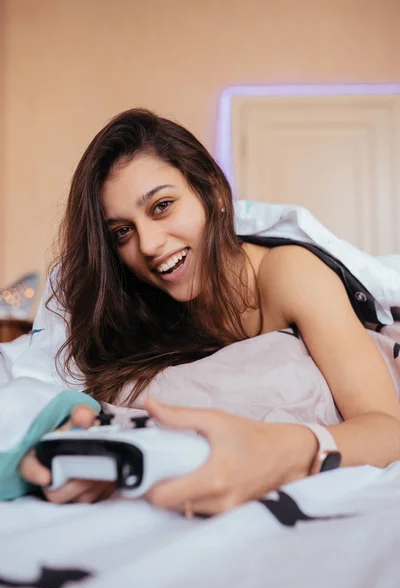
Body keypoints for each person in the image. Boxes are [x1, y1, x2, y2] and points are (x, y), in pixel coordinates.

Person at [18, 108, 400, 516]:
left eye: (162, 206)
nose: (148, 244)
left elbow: (387, 427)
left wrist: (281, 449)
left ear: (214, 193)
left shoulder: (291, 274)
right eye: (122, 232)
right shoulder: (138, 307)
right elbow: (78, 384)